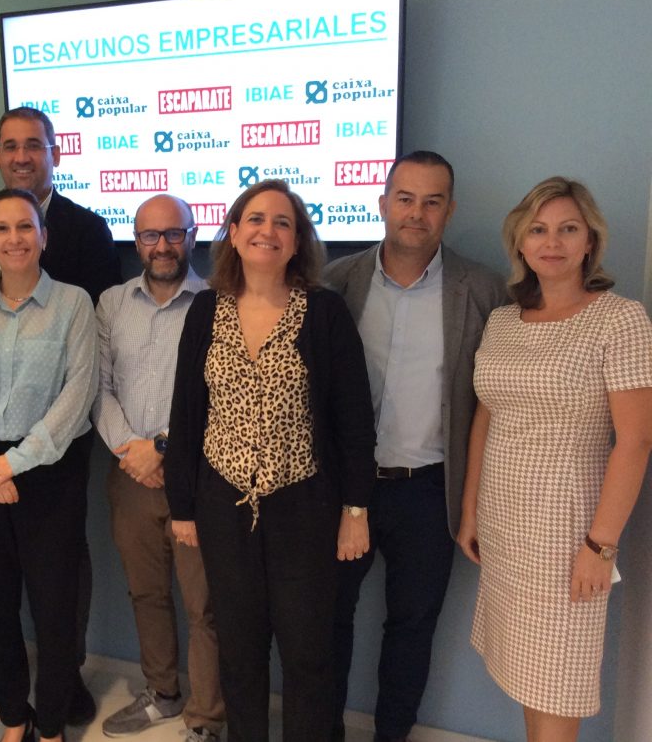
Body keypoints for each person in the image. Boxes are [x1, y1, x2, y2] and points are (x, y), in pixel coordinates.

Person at [165, 180, 376, 741]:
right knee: (239, 651)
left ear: (297, 241)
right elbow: (187, 412)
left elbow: (354, 419)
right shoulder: (206, 310)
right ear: (234, 234)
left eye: (283, 222)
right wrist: (182, 506)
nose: (268, 231)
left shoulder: (324, 312)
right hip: (222, 506)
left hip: (304, 507)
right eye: (255, 219)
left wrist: (355, 509)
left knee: (308, 653)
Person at [458, 177, 652, 742]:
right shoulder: (503, 320)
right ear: (520, 243)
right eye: (538, 230)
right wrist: (470, 512)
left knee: (559, 682)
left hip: (568, 533)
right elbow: (485, 415)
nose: (552, 242)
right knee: (528, 676)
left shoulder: (620, 319)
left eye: (568, 229)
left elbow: (636, 441)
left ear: (590, 241)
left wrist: (601, 546)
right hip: (504, 524)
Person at [324, 151, 505, 742]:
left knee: (412, 627)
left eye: (432, 202)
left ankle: (391, 735)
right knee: (327, 620)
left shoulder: (483, 290)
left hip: (429, 490)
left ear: (449, 211)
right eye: (405, 199)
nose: (416, 213)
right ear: (382, 204)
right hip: (343, 488)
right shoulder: (335, 282)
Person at [0, 106, 119, 724]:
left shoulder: (87, 229)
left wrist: (28, 455)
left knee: (59, 580)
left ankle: (61, 680)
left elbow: (97, 343)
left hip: (56, 444)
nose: (21, 155)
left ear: (54, 152)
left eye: (34, 145)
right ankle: (3, 681)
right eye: (10, 145)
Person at [93, 195, 225, 742]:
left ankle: (207, 718)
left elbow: (220, 394)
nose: (163, 246)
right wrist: (132, 452)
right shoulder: (112, 303)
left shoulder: (218, 302)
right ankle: (163, 693)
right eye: (151, 235)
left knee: (205, 606)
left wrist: (163, 448)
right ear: (137, 239)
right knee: (146, 593)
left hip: (198, 480)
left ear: (193, 236)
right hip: (131, 478)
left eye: (174, 233)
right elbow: (98, 387)